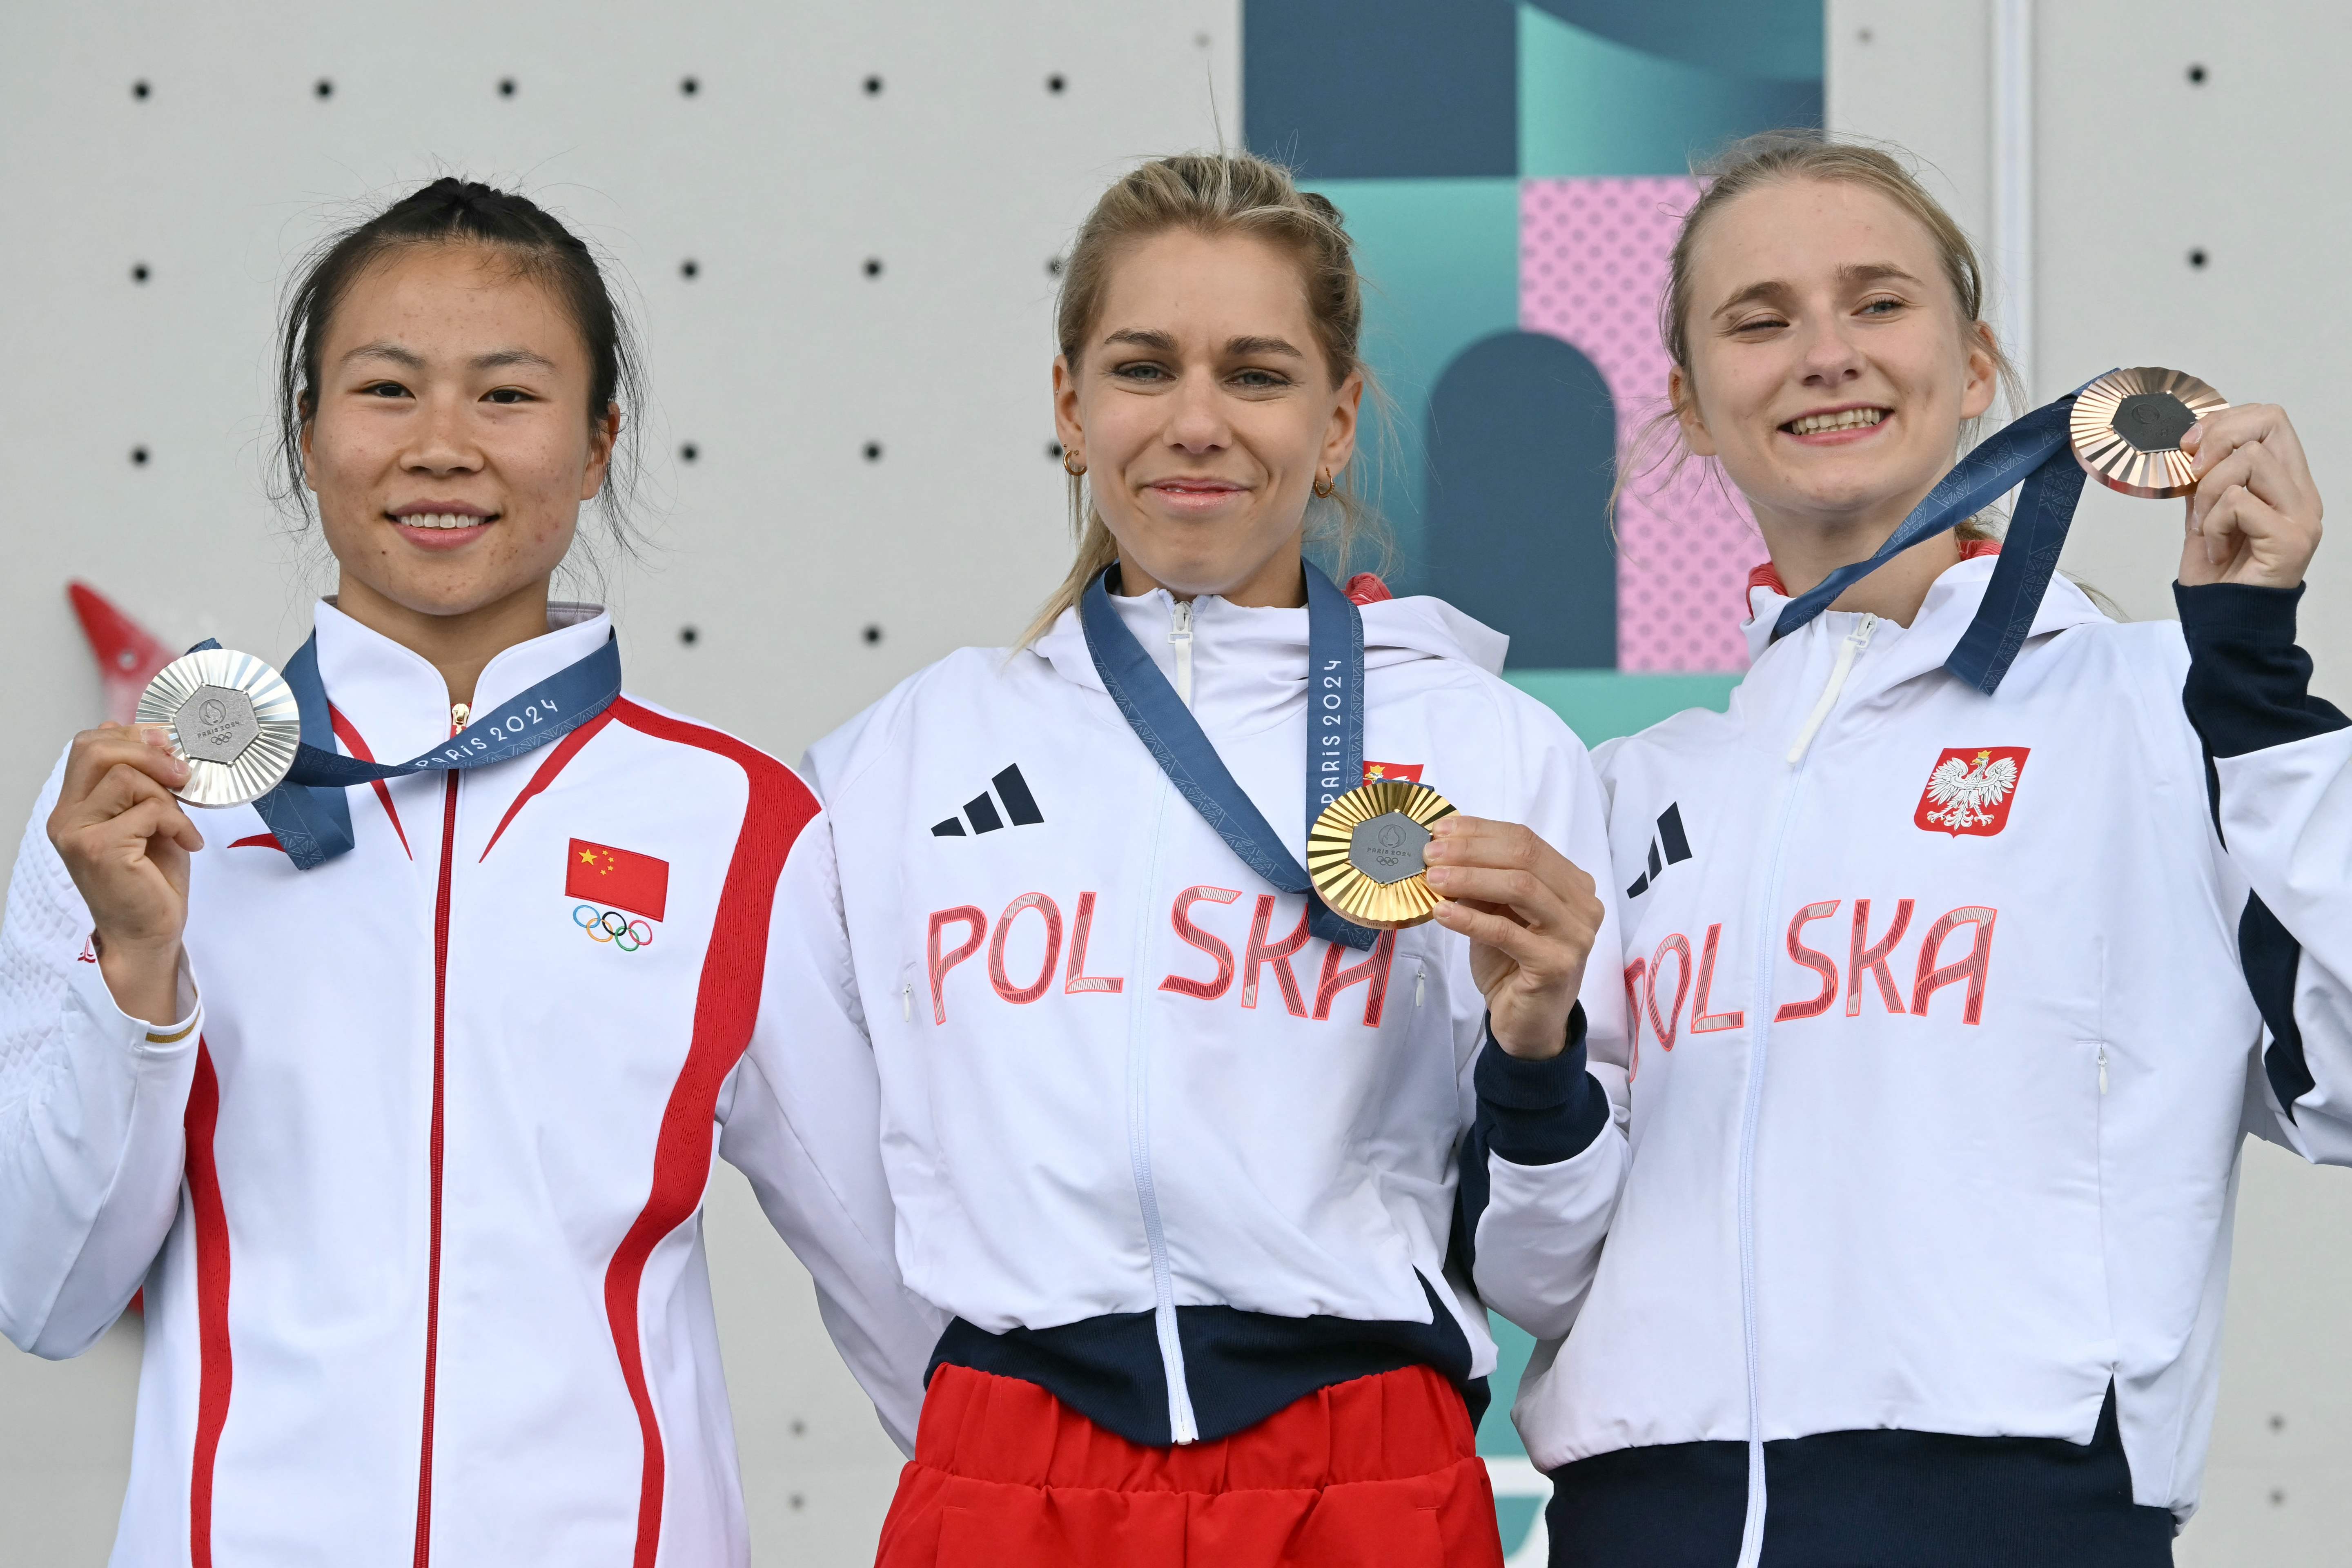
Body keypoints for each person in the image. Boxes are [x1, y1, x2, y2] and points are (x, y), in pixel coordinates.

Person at [0, 178, 939, 1566]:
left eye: (508, 396)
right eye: (386, 390)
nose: (443, 447)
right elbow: (48, 1295)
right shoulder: (143, 807)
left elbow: (906, 1303)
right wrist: (138, 977)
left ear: (600, 440)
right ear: (308, 435)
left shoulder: (738, 826)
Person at [1501, 131, 2346, 1567]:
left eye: (1879, 303)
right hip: (1643, 1528)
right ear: (1693, 409)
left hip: (2016, 1521)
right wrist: (1525, 1072)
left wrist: (2259, 690)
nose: (1826, 354)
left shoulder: (2169, 711)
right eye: (1759, 321)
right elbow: (1536, 1266)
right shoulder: (1632, 795)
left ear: (1976, 372)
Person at [788, 151, 1630, 1568]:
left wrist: (1537, 1051)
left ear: (1341, 415)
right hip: (1009, 1475)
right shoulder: (899, 760)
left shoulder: (1493, 747)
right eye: (1141, 368)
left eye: (1255, 373)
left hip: (1365, 1476)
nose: (1196, 423)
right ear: (1069, 406)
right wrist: (983, 1413)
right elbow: (841, 1185)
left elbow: (1549, 1268)